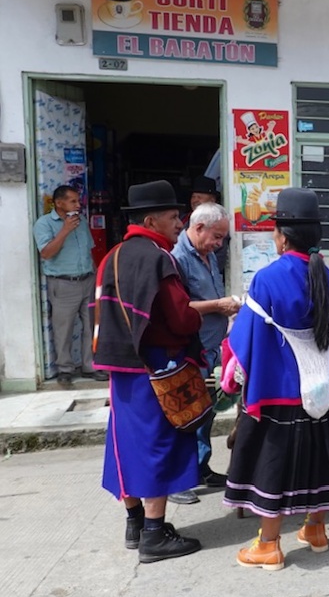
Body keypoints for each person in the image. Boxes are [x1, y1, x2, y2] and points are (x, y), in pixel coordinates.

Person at [220, 187, 329, 571]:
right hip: (327, 389)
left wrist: (232, 373)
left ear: (282, 236)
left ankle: (268, 545)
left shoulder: (268, 278)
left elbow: (246, 338)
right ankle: (315, 530)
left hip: (280, 393)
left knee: (274, 467)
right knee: (321, 461)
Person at [92, 180, 204, 563]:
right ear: (152, 220)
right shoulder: (158, 257)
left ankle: (135, 523)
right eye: (174, 216)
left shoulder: (113, 256)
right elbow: (180, 317)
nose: (180, 222)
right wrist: (200, 316)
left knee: (125, 444)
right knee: (159, 444)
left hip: (120, 368)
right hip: (155, 365)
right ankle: (155, 535)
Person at [169, 202, 241, 504]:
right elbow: (178, 307)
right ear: (198, 228)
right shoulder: (177, 259)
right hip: (190, 351)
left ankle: (200, 468)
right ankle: (176, 480)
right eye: (217, 236)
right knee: (185, 416)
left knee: (206, 414)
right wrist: (218, 305)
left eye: (223, 238)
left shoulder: (207, 255)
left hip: (210, 349)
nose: (219, 243)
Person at [33, 184, 108, 385]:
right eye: (73, 201)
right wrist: (65, 230)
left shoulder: (81, 221)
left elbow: (89, 250)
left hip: (87, 279)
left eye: (78, 200)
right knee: (63, 328)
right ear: (59, 203)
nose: (78, 204)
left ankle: (89, 366)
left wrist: (97, 275)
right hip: (63, 283)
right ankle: (65, 369)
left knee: (92, 326)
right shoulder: (44, 224)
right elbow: (46, 253)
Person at [182, 175, 229, 276]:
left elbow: (217, 266)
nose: (195, 200)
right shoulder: (182, 220)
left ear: (212, 200)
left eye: (199, 197)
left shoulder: (219, 224)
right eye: (193, 197)